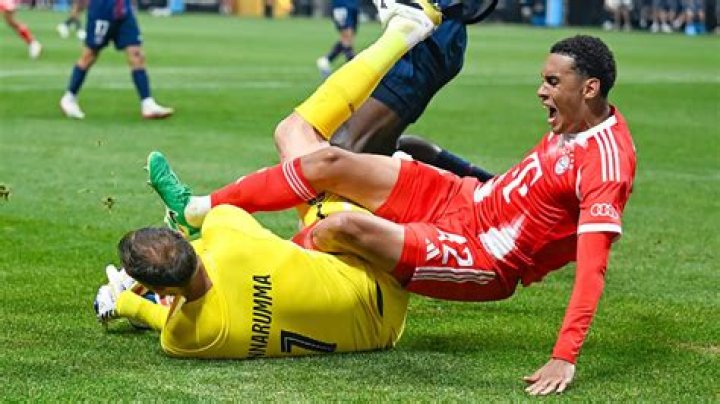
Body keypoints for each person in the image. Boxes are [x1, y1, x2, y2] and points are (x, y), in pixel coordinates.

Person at [150, 34, 636, 395]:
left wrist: (564, 356)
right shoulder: (572, 121)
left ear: (589, 88)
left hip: (484, 256)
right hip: (463, 199)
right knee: (327, 161)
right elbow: (532, 188)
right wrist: (449, 165)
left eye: (552, 82)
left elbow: (592, 267)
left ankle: (230, 277)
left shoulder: (607, 164)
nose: (541, 91)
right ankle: (196, 209)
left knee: (342, 226)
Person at [94, 205, 409, 359]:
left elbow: (167, 321)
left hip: (379, 337)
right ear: (181, 236)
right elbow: (213, 218)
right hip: (383, 276)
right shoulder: (227, 234)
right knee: (317, 188)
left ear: (161, 289)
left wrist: (125, 303)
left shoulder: (184, 338)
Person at [59, 0, 173, 119]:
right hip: (102, 10)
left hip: (124, 10)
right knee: (90, 55)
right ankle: (69, 97)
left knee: (136, 54)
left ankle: (147, 103)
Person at [316, 0, 359, 78]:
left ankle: (325, 60)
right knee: (346, 36)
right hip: (341, 4)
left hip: (354, 4)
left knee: (350, 38)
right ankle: (353, 68)